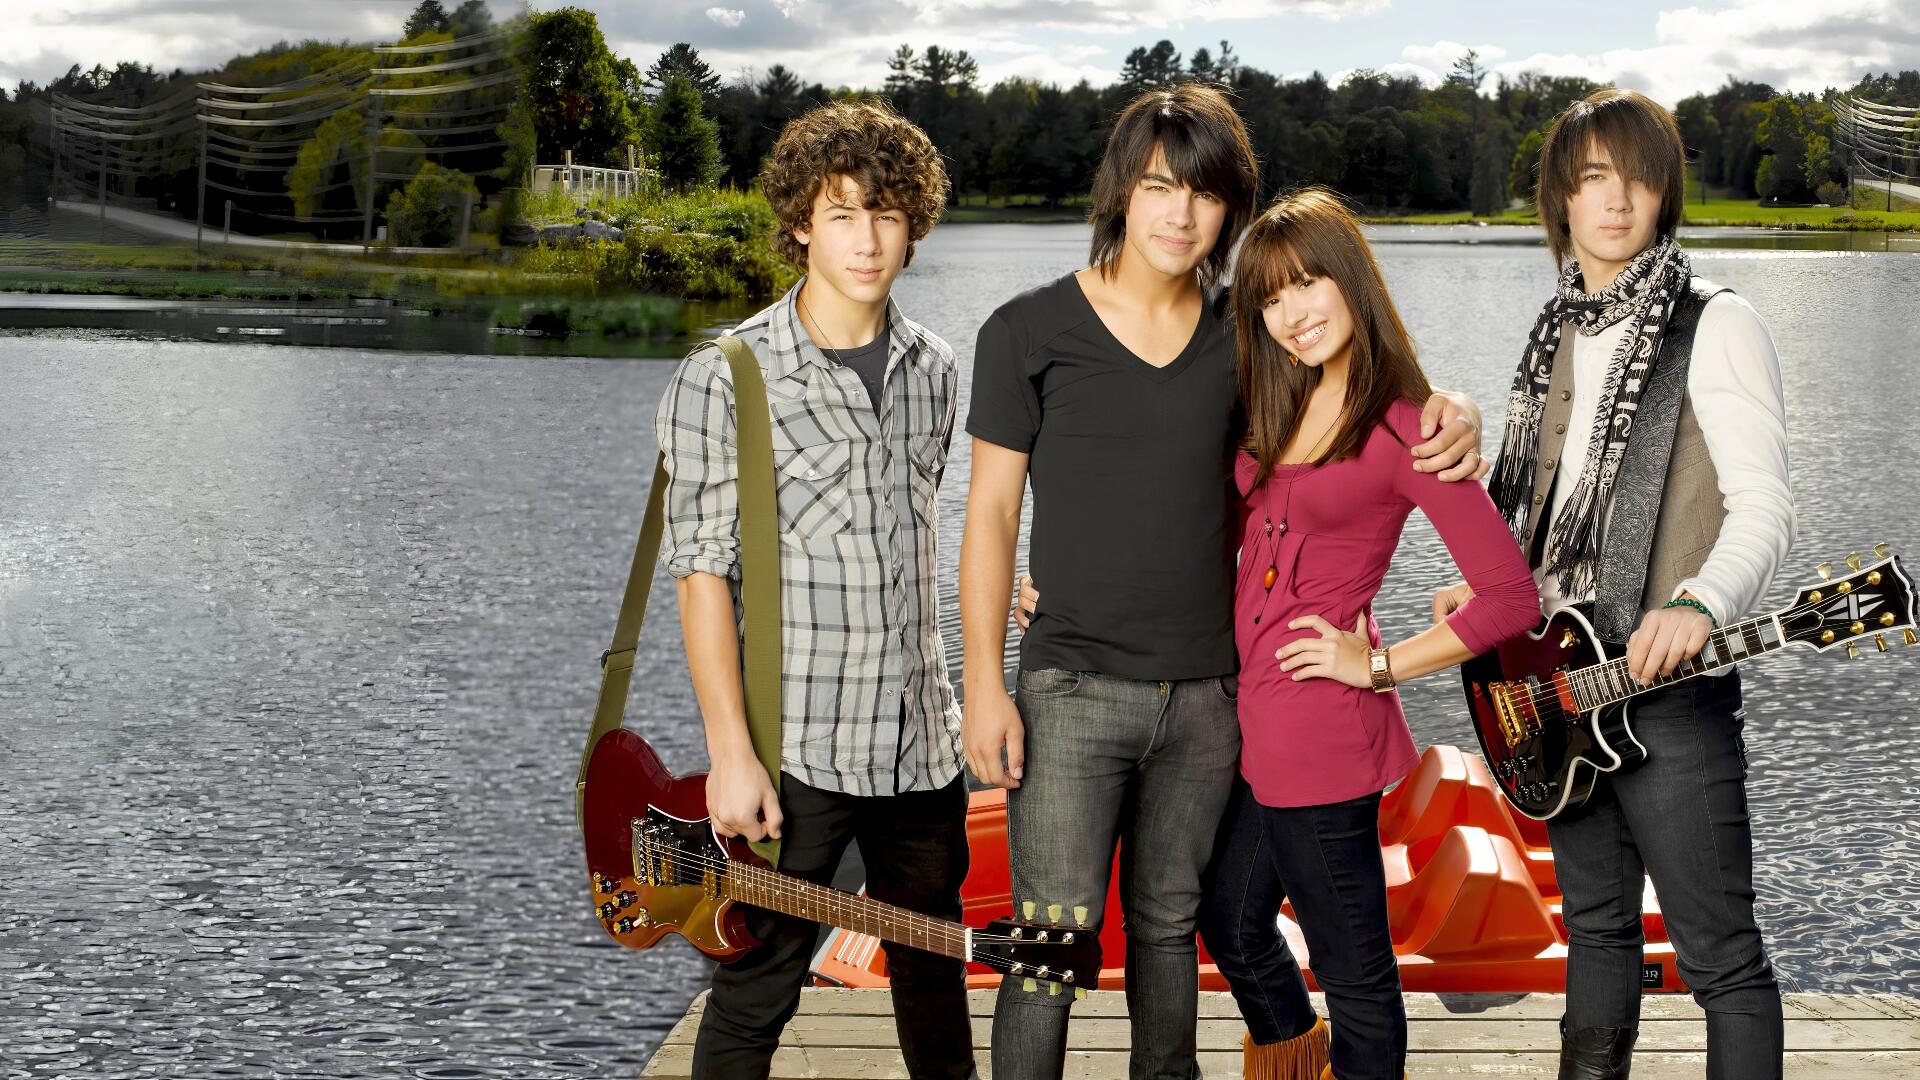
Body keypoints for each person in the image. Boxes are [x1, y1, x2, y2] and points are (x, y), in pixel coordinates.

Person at [960, 83, 1486, 1080]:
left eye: (1204, 194)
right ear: (1122, 190)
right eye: (1158, 187)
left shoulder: (1246, 336)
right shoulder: (1025, 332)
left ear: (1231, 209)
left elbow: (1352, 398)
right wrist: (983, 680)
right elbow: (989, 515)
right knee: (1047, 952)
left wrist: (1449, 405)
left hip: (1213, 697)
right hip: (1069, 685)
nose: (1180, 214)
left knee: (1169, 928)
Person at [1437, 87, 1795, 1080]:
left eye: (1638, 177)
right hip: (1557, 689)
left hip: (1669, 695)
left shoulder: (1716, 324)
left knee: (1722, 960)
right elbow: (1536, 518)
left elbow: (1766, 511)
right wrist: (1482, 601)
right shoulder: (1556, 333)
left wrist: (1698, 605)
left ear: (1664, 191)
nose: (1618, 200)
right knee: (1596, 936)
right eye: (1594, 177)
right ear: (1559, 196)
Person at [656, 100, 974, 1079]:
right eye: (841, 214)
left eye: (886, 215)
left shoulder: (936, 370)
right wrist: (728, 757)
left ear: (913, 224)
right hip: (796, 749)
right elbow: (703, 573)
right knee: (758, 988)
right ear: (799, 221)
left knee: (934, 979)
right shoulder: (729, 374)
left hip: (923, 747)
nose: (867, 240)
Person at [1193, 188, 1540, 1080]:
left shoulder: (1403, 425)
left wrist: (1378, 666)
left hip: (1322, 742)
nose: (1291, 313)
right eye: (1270, 296)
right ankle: (1296, 1063)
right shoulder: (1278, 401)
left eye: (1308, 283)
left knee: (1355, 979)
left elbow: (1509, 600)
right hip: (1255, 728)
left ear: (1351, 280)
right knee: (1231, 921)